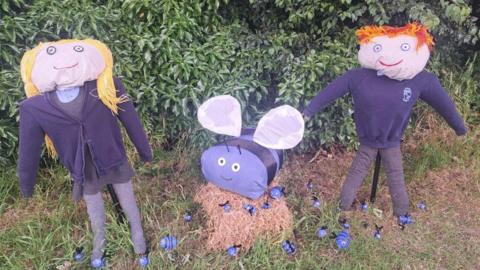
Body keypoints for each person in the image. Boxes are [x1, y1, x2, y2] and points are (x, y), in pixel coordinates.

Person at [302, 23, 467, 223]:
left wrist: (459, 126)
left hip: (380, 140)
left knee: (368, 172)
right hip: (381, 140)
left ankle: (346, 209)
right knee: (392, 175)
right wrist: (308, 111)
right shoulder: (359, 77)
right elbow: (330, 92)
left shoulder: (419, 80)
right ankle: (399, 215)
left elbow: (444, 105)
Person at [18, 39, 152, 268]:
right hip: (83, 169)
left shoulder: (106, 87)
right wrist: (26, 185)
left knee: (128, 200)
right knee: (94, 210)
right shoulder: (35, 107)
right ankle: (100, 243)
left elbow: (131, 120)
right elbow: (28, 149)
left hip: (114, 159)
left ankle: (138, 237)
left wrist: (144, 151)